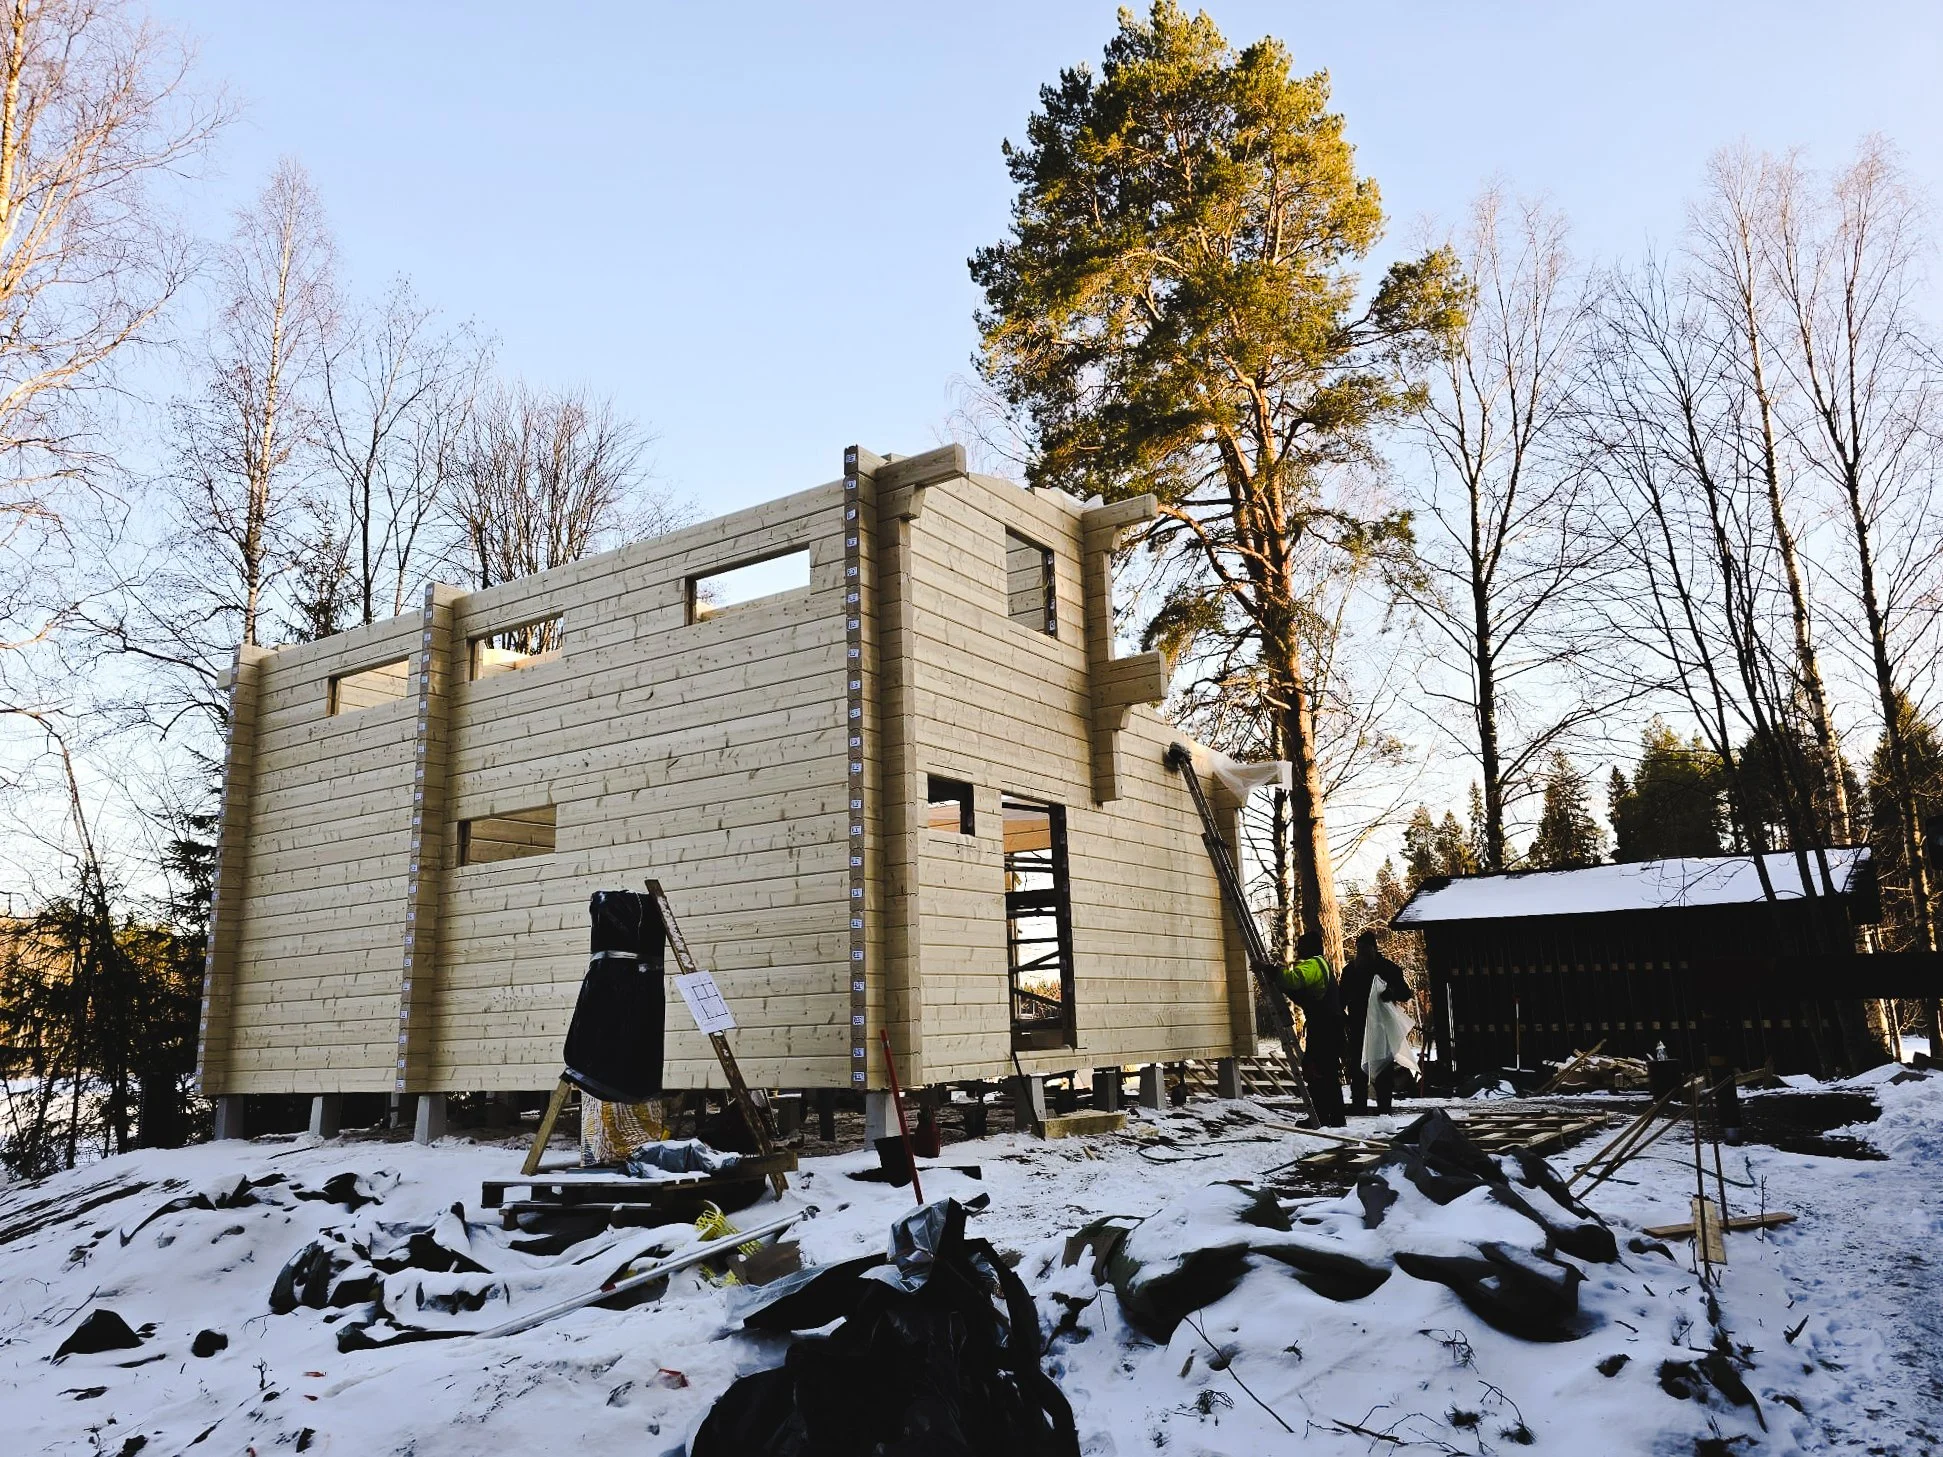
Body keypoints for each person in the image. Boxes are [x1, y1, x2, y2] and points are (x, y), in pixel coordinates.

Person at [1277, 930, 1347, 1127]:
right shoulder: (1323, 966)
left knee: (1316, 1071)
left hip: (1324, 1029)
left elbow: (1293, 980)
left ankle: (1322, 1118)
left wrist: (1273, 972)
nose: (1298, 949)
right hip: (1331, 1027)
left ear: (1310, 947)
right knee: (1329, 1074)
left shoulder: (1313, 964)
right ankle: (1335, 1119)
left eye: (1301, 945)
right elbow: (1305, 996)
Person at [1343, 929, 1414, 1115]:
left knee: (1383, 1068)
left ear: (1374, 949)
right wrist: (1343, 1018)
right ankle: (1359, 1104)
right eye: (1359, 950)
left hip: (1382, 1028)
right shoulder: (1350, 971)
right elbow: (1341, 998)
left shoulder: (1388, 969)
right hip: (1358, 1026)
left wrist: (1392, 992)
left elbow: (1406, 993)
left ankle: (1384, 1105)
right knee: (1357, 1067)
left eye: (1365, 950)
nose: (1361, 954)